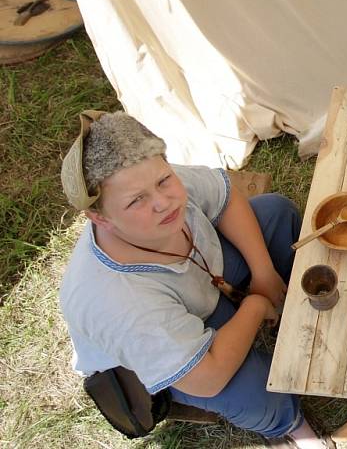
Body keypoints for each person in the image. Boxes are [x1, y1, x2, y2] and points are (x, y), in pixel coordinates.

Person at [59, 110, 328, 448]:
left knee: (275, 212)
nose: (163, 202)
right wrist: (257, 305)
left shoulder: (146, 177)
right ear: (100, 218)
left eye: (163, 180)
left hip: (201, 283)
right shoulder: (119, 302)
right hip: (165, 350)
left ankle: (296, 300)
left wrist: (263, 273)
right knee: (256, 392)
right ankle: (288, 426)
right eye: (137, 201)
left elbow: (225, 195)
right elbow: (207, 379)